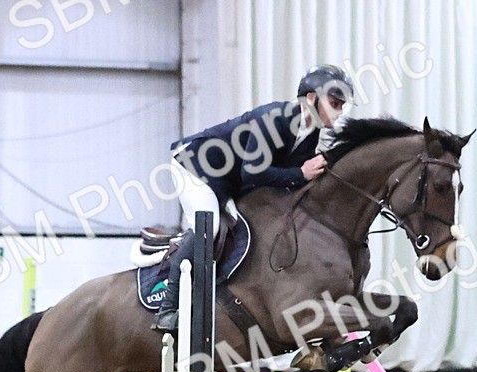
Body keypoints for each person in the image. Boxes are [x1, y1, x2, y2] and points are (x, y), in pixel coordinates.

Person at [152, 64, 355, 334]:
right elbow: (253, 172)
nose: (339, 112)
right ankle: (167, 308)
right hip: (196, 167)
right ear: (311, 98)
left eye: (341, 106)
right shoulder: (274, 118)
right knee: (208, 226)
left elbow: (282, 177)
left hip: (228, 181)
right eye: (334, 103)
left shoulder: (311, 134)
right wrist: (301, 173)